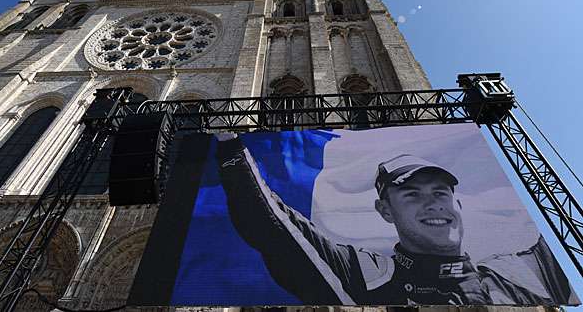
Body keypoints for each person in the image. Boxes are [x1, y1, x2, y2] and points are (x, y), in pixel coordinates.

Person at [215, 133, 578, 306]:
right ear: (385, 211)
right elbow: (269, 224)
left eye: (440, 193)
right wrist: (232, 147)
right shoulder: (363, 275)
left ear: (458, 205)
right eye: (412, 194)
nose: (433, 204)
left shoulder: (521, 274)